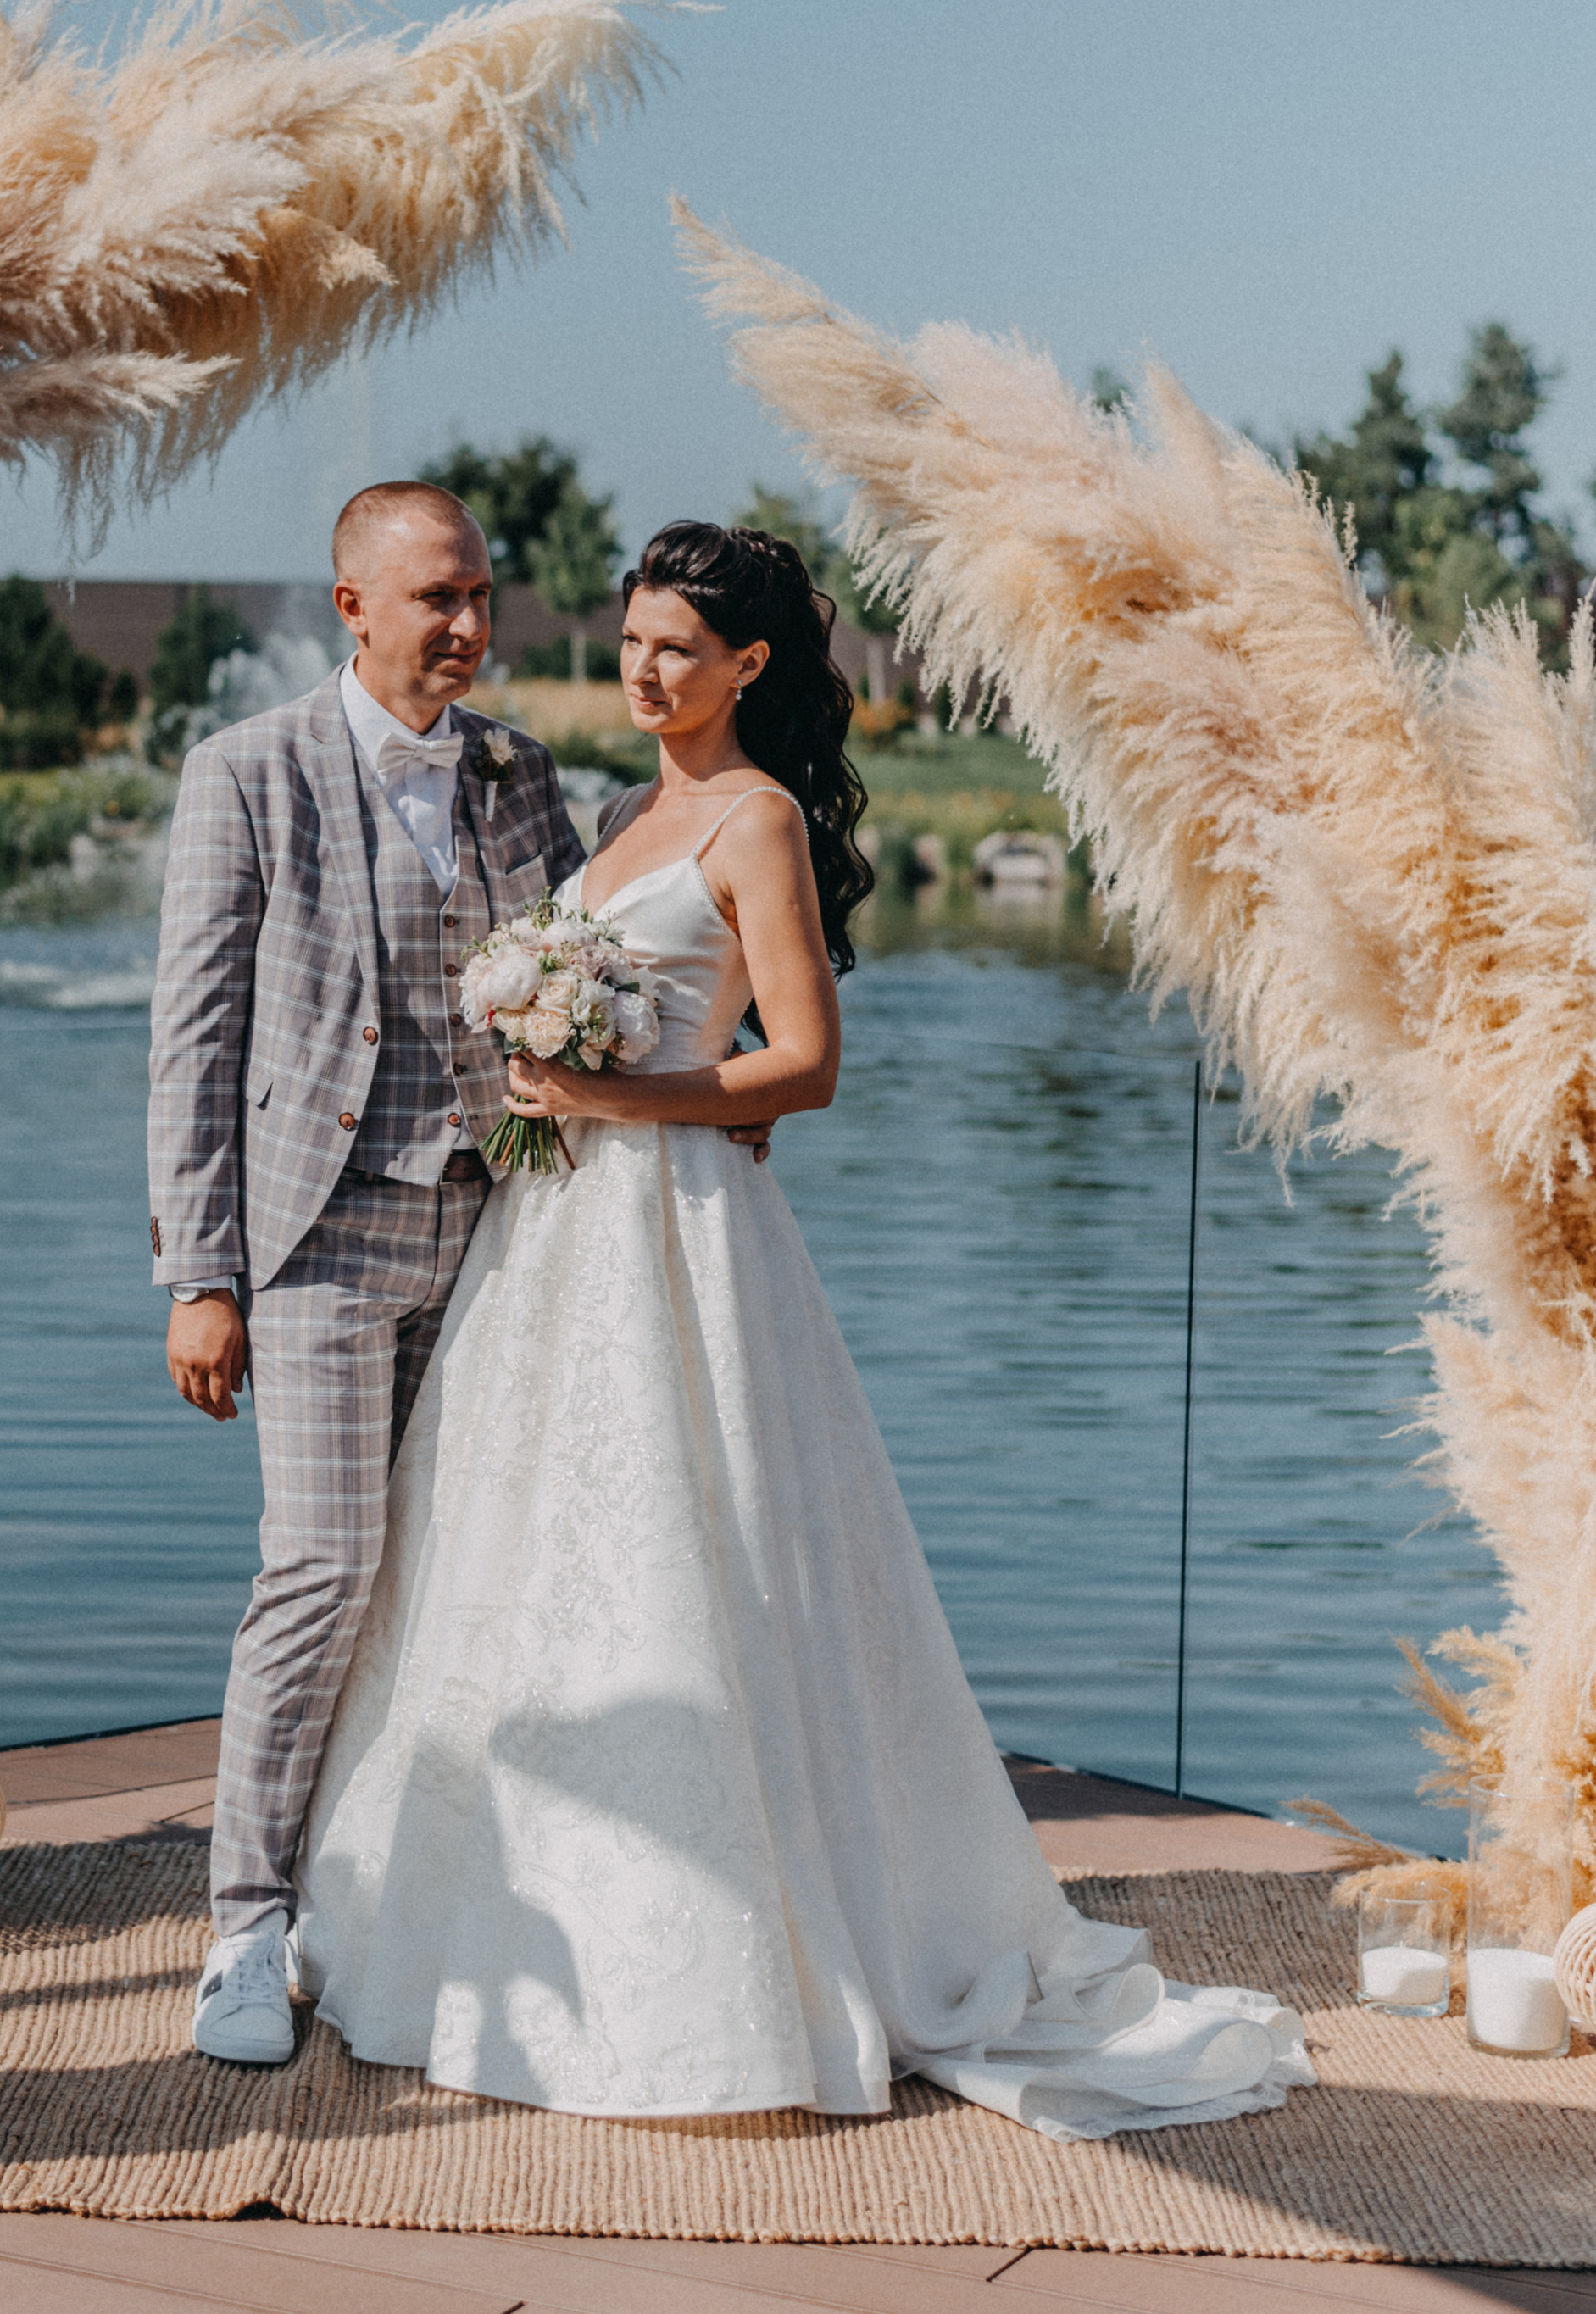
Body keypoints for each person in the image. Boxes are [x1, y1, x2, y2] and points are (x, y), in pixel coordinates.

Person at [291, 521, 1313, 2137]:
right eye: (631, 640)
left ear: (748, 666)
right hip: (555, 1239)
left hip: (676, 1242)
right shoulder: (626, 810)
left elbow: (805, 1064)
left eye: (677, 649)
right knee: (525, 1558)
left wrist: (623, 1094)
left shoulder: (756, 822)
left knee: (703, 1561)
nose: (643, 670)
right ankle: (468, 1914)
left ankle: (723, 1962)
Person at [148, 482, 592, 2064]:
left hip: (494, 1235)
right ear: (351, 606)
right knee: (323, 1567)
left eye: (479, 595)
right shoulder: (246, 773)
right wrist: (201, 1274)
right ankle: (244, 1930)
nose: (468, 626)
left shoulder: (522, 774)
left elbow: (588, 974)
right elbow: (196, 1041)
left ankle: (394, 1893)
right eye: (435, 601)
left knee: (444, 1576)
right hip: (320, 1241)